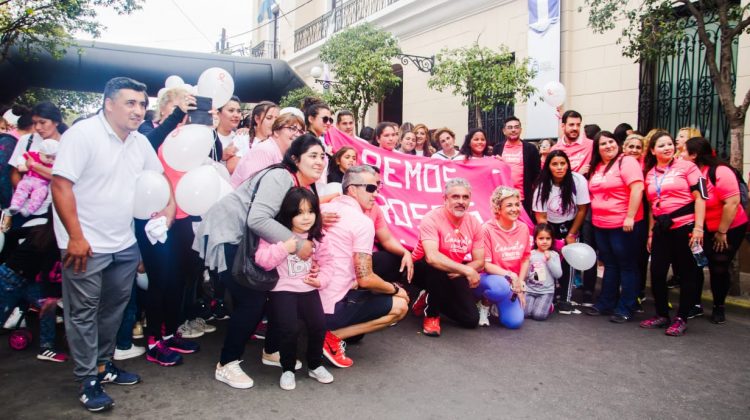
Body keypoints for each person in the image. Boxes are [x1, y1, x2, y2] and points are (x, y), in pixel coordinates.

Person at [51, 77, 167, 412]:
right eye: (130, 103)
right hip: (84, 242)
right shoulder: (82, 135)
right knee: (83, 314)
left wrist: (163, 216)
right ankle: (88, 380)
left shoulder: (138, 142)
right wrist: (74, 236)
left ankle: (103, 366)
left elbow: (155, 181)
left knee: (113, 311)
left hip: (124, 241)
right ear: (108, 104)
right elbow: (60, 186)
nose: (138, 110)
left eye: (142, 104)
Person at [194, 134, 325, 389]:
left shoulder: (301, 184)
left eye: (322, 156)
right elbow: (258, 220)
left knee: (275, 290)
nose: (320, 161)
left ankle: (272, 350)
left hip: (250, 241)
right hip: (230, 235)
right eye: (313, 156)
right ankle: (227, 363)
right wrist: (298, 245)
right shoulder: (281, 177)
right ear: (295, 159)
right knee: (251, 301)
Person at [317, 165, 409, 367]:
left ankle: (320, 334)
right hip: (330, 307)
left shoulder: (320, 211)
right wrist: (396, 289)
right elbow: (365, 278)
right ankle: (329, 337)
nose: (375, 194)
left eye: (377, 188)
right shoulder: (361, 221)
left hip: (306, 300)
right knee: (400, 305)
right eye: (370, 188)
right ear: (351, 189)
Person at [256, 187, 334, 390]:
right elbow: (262, 260)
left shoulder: (317, 235)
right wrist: (284, 248)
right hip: (282, 290)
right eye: (299, 212)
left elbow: (328, 262)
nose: (306, 217)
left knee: (318, 326)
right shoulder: (275, 233)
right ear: (288, 213)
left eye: (310, 211)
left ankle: (315, 365)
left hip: (309, 289)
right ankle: (288, 369)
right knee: (288, 330)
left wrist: (321, 280)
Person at [640, 131, 706, 336]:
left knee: (687, 273)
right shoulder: (650, 173)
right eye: (661, 145)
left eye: (670, 144)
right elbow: (652, 206)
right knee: (658, 273)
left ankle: (681, 318)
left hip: (685, 227)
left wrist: (698, 228)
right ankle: (662, 314)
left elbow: (701, 198)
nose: (668, 147)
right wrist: (651, 233)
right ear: (652, 150)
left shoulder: (687, 167)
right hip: (662, 229)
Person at [682, 137, 748, 324]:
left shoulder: (720, 171)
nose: (680, 155)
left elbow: (732, 203)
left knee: (718, 266)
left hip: (728, 227)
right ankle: (695, 305)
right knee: (696, 264)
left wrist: (722, 231)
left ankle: (719, 306)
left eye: (684, 152)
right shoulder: (692, 171)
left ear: (694, 155)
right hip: (702, 228)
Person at [411, 178, 484, 336]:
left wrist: (464, 270)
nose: (461, 201)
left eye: (465, 197)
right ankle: (432, 315)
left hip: (453, 269)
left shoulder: (474, 223)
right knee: (437, 270)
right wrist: (465, 270)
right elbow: (432, 257)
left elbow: (479, 260)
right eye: (455, 197)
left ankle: (428, 297)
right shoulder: (431, 218)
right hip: (421, 268)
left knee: (471, 319)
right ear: (445, 199)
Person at [585, 131, 645, 323]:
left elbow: (637, 188)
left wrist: (630, 216)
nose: (608, 145)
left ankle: (626, 307)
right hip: (601, 224)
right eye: (603, 144)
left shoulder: (626, 162)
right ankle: (606, 303)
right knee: (609, 264)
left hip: (623, 224)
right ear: (597, 149)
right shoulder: (597, 167)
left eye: (611, 141)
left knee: (627, 265)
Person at [0, 212, 67, 362]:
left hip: (28, 281)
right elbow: (11, 235)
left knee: (48, 307)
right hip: (9, 278)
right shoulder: (50, 237)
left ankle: (46, 348)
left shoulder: (45, 231)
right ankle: (46, 346)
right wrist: (11, 259)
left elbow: (12, 235)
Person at [532, 150, 590, 314]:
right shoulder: (542, 185)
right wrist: (548, 238)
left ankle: (565, 297)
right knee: (545, 258)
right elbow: (540, 215)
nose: (559, 167)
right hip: (548, 225)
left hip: (570, 224)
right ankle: (546, 293)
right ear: (548, 166)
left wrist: (571, 234)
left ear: (568, 164)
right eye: (554, 164)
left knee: (568, 260)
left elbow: (581, 209)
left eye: (562, 163)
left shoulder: (577, 180)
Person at [475, 186, 530, 329]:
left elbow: (525, 258)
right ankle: (484, 303)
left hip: (511, 282)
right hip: (489, 278)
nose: (515, 209)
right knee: (500, 287)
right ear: (498, 209)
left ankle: (497, 302)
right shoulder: (487, 229)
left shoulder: (523, 228)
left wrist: (520, 285)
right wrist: (511, 276)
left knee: (514, 322)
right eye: (509, 205)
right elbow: (485, 265)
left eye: (517, 204)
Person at [231, 112, 306, 188]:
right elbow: (252, 187)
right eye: (292, 128)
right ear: (276, 131)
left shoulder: (283, 153)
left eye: (300, 131)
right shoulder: (264, 150)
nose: (297, 134)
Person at [492, 117, 541, 217]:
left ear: (521, 130)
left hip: (523, 198)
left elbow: (537, 174)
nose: (513, 130)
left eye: (516, 127)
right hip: (503, 198)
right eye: (510, 127)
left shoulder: (530, 149)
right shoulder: (497, 148)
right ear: (504, 131)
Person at [8, 139, 58, 217]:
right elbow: (22, 157)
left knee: (40, 195)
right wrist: (21, 165)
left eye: (53, 158)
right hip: (29, 178)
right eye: (48, 157)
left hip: (42, 184)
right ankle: (15, 205)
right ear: (41, 153)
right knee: (22, 188)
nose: (50, 160)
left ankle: (29, 210)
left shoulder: (54, 165)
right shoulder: (33, 155)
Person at [525, 223, 562, 321]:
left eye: (548, 238)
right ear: (535, 240)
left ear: (552, 240)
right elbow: (526, 273)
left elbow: (558, 274)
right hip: (530, 290)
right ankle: (536, 305)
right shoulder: (531, 254)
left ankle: (549, 306)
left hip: (546, 292)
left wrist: (549, 260)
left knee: (539, 316)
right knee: (525, 313)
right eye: (541, 238)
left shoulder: (554, 255)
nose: (544, 241)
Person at [212, 96, 244, 174]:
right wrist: (221, 155)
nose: (236, 115)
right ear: (218, 113)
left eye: (239, 111)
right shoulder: (209, 137)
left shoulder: (242, 137)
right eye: (231, 110)